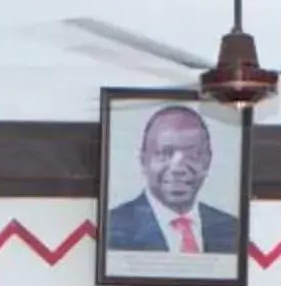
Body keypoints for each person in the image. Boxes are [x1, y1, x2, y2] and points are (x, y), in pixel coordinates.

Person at [102, 104, 239, 255]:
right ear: (143, 160)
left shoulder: (231, 229)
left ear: (207, 161)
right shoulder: (113, 228)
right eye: (165, 153)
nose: (178, 168)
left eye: (192, 155)